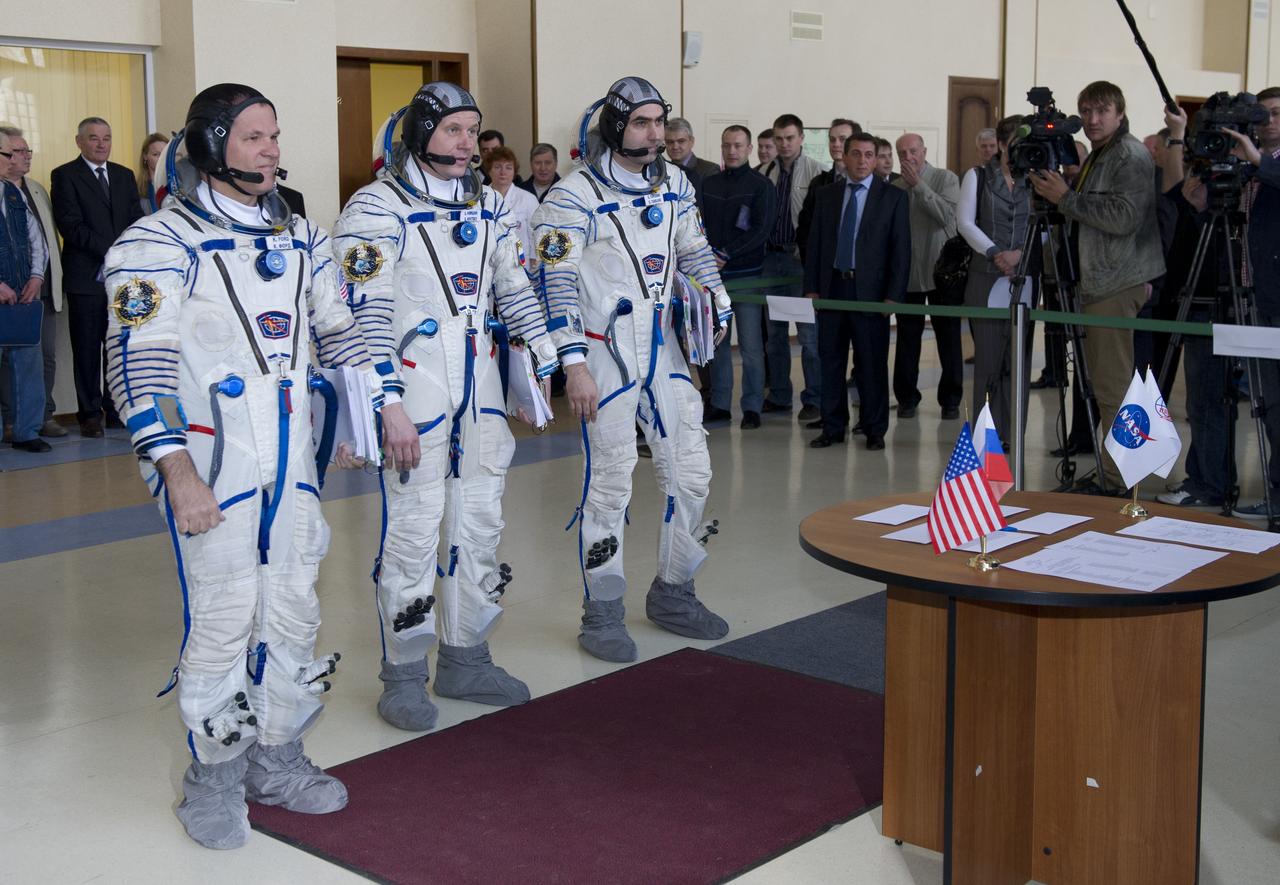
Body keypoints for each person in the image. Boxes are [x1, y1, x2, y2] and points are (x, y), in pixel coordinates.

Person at [102, 83, 382, 849]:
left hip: (289, 458)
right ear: (211, 144)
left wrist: (365, 414)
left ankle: (278, 758)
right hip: (209, 459)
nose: (271, 150)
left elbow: (339, 328)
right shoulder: (156, 243)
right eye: (255, 137)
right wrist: (176, 472)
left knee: (292, 604)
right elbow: (137, 368)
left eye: (275, 135)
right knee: (226, 617)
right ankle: (215, 776)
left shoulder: (301, 237)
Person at [334, 83, 559, 728]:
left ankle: (466, 655)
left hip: (479, 394)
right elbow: (361, 316)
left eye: (473, 131)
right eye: (455, 129)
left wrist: (542, 360)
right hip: (413, 395)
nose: (468, 143)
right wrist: (387, 402)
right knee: (411, 535)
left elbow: (513, 288)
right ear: (420, 132)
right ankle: (403, 673)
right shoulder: (375, 209)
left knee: (479, 527)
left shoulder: (488, 206)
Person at [530, 76, 733, 662]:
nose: (654, 134)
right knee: (611, 483)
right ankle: (603, 609)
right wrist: (574, 367)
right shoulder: (570, 198)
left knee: (691, 470)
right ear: (616, 126)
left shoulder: (676, 184)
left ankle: (674, 590)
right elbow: (555, 284)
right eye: (641, 123)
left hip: (660, 348)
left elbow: (693, 250)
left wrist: (715, 299)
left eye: (658, 122)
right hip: (601, 351)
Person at [1030, 81, 1164, 493]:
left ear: (1120, 113)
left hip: (1115, 280)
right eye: (1086, 111)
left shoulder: (1129, 154)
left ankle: (1119, 479)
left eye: (1102, 111)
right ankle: (1116, 471)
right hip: (1099, 280)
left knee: (1112, 386)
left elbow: (1124, 217)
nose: (1092, 119)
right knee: (1107, 384)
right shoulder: (1103, 155)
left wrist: (1066, 197)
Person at [1157, 90, 1280, 515]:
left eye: (1276, 114)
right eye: (1262, 116)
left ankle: (1277, 495)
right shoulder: (1235, 164)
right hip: (1217, 288)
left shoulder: (1269, 167)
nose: (1267, 123)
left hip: (1268, 303)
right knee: (1206, 395)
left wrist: (1261, 164)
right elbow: (1184, 201)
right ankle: (1209, 482)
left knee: (1272, 402)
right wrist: (1200, 204)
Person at [804, 132, 910, 450]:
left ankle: (875, 428)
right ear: (844, 157)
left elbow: (900, 250)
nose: (862, 161)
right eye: (856, 154)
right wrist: (811, 287)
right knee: (831, 360)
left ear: (876, 160)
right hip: (833, 287)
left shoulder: (893, 197)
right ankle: (833, 426)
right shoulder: (827, 195)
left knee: (871, 363)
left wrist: (893, 295)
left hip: (871, 293)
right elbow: (816, 245)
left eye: (868, 155)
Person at [50, 116, 144, 438]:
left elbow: (135, 219)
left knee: (118, 345)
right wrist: (112, 250)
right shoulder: (65, 175)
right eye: (94, 138)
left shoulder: (123, 175)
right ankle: (89, 414)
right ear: (79, 142)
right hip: (85, 277)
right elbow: (71, 226)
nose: (101, 144)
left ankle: (115, 408)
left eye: (107, 137)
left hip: (121, 278)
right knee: (87, 348)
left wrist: (126, 252)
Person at [957, 114, 1038, 443]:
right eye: (1015, 145)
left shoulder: (1035, 178)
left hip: (1024, 275)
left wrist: (1021, 254)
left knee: (1018, 360)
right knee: (988, 360)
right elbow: (965, 223)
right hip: (987, 275)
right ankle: (986, 434)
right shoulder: (977, 176)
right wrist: (995, 253)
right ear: (1002, 145)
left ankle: (1013, 431)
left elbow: (1045, 227)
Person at [698, 125, 777, 427]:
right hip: (713, 278)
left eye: (738, 146)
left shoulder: (761, 186)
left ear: (749, 149)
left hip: (747, 277)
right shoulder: (709, 184)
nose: (732, 151)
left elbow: (761, 230)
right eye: (727, 145)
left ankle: (753, 406)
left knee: (750, 345)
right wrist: (709, 258)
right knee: (718, 343)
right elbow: (699, 225)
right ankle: (719, 403)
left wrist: (726, 254)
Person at [891, 133, 962, 420]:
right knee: (907, 340)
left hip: (942, 274)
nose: (908, 158)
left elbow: (947, 216)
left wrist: (918, 186)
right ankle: (906, 398)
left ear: (924, 151)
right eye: (902, 153)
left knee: (948, 337)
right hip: (908, 275)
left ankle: (951, 400)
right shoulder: (895, 188)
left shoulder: (946, 179)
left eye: (913, 151)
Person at [0, 123, 64, 440]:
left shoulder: (22, 192)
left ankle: (30, 429)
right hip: (3, 292)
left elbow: (38, 239)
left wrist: (37, 276)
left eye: (22, 151)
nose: (17, 158)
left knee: (34, 359)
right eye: (10, 153)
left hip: (30, 292)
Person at [761, 113, 824, 421]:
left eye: (789, 138)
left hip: (801, 263)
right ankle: (780, 395)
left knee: (809, 337)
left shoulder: (817, 173)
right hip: (772, 262)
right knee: (775, 335)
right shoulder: (764, 172)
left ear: (801, 139)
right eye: (779, 138)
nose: (784, 144)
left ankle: (814, 397)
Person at [797, 119, 861, 262]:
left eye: (842, 139)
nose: (836, 144)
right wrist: (809, 261)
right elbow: (805, 228)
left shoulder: (872, 184)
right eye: (832, 140)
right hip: (825, 268)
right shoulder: (818, 184)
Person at [484, 145, 538, 249]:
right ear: (489, 170)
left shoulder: (528, 199)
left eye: (508, 167)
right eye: (497, 167)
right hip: (488, 260)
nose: (503, 172)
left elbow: (536, 233)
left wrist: (534, 259)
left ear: (514, 172)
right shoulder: (480, 198)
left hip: (520, 260)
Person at [664, 117, 720, 191]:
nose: (675, 147)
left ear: (692, 141)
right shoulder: (663, 171)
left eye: (681, 141)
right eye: (670, 142)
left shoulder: (709, 170)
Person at [137, 132, 169, 214]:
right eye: (156, 154)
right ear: (145, 156)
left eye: (165, 154)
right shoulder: (136, 189)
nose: (162, 159)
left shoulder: (177, 185)